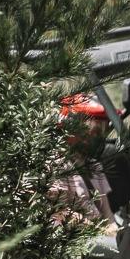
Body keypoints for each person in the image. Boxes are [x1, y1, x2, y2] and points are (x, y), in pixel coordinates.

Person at [50, 93, 117, 227]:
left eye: (103, 130)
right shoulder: (56, 164)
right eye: (95, 130)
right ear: (71, 126)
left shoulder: (95, 166)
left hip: (100, 239)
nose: (98, 137)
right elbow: (58, 211)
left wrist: (114, 229)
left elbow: (107, 212)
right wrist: (98, 230)